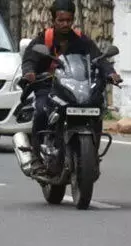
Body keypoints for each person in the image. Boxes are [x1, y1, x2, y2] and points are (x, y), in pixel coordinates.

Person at [20, 0, 123, 175]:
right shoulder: (44, 39)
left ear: (73, 19)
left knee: (96, 109)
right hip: (48, 85)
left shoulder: (81, 40)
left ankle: (92, 156)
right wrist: (29, 72)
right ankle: (37, 157)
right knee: (42, 111)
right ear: (53, 20)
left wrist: (111, 73)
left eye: (68, 20)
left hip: (74, 85)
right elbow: (30, 59)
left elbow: (98, 59)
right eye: (61, 20)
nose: (65, 24)